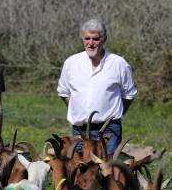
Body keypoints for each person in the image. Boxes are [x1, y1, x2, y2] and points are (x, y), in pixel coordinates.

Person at [57, 18, 137, 155]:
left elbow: (129, 94)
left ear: (104, 39)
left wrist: (116, 113)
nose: (91, 43)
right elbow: (63, 92)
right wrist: (78, 110)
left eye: (95, 39)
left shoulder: (118, 64)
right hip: (80, 130)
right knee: (80, 172)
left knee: (106, 171)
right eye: (87, 38)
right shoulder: (72, 63)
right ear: (82, 39)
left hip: (109, 130)